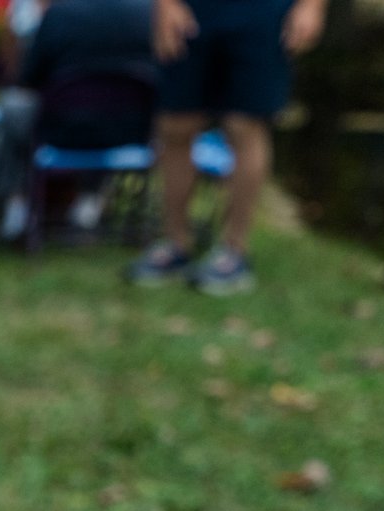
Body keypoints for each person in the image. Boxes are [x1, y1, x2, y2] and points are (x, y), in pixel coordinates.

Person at [126, 0, 325, 293]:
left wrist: (311, 7)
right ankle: (175, 243)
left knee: (245, 125)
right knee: (175, 124)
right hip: (193, 9)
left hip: (264, 13)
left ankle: (234, 251)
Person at [0, 0, 154, 240]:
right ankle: (89, 201)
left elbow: (31, 78)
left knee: (13, 109)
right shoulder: (149, 13)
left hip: (63, 129)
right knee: (104, 110)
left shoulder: (60, 13)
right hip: (133, 132)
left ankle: (16, 206)